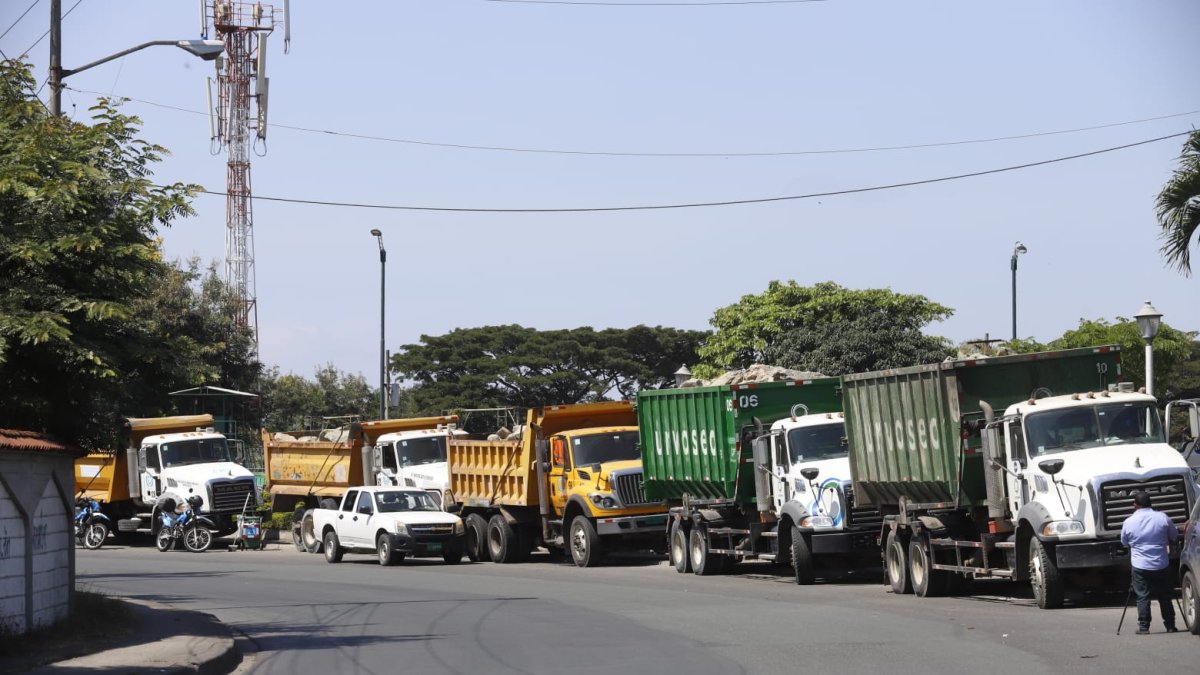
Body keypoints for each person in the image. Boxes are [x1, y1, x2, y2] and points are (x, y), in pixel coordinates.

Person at [1119, 490, 1179, 634]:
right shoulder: (1162, 517)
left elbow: (1124, 542)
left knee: (1142, 596)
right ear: (1150, 503)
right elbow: (1174, 535)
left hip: (1140, 565)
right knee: (1165, 595)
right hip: (1161, 563)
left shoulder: (1129, 521)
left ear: (1135, 504)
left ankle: (1144, 627)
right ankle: (1170, 625)